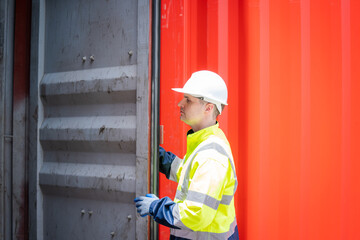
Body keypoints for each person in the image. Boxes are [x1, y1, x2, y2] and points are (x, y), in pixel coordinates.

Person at [134, 70, 238, 239]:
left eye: (188, 100)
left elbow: (196, 214)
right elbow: (188, 174)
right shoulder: (205, 143)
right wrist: (158, 156)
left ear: (208, 107)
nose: (180, 103)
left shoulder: (211, 156)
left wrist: (155, 207)